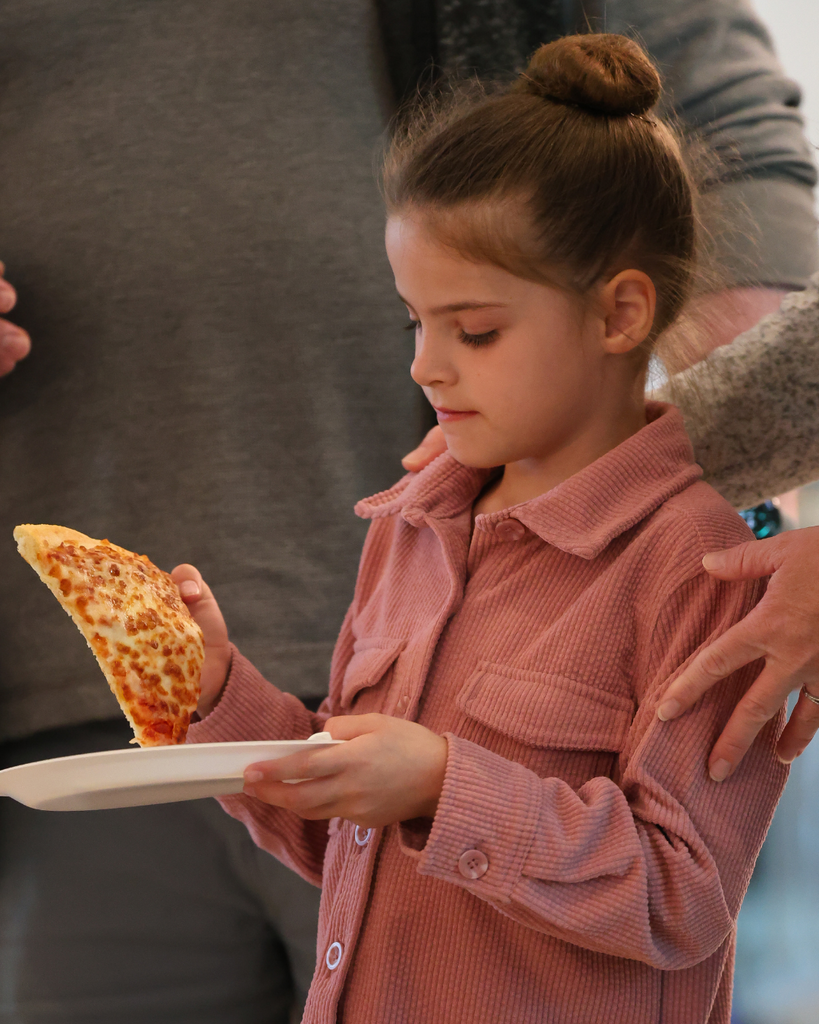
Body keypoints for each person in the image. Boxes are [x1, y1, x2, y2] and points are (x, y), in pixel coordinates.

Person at [0, 2, 816, 1022]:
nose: (426, 366)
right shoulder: (411, 523)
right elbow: (352, 835)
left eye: (473, 330)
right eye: (414, 322)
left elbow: (683, 898)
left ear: (621, 313)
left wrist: (445, 788)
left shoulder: (700, 560)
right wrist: (222, 699)